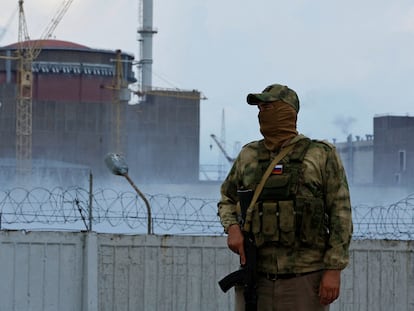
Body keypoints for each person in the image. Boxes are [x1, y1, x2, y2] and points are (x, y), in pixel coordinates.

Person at [218, 84, 353, 311]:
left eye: (268, 107)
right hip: (257, 277)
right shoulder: (248, 155)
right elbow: (227, 198)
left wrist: (333, 269)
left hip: (304, 278)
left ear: (288, 111)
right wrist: (232, 228)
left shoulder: (320, 154)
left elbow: (341, 213)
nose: (262, 113)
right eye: (259, 108)